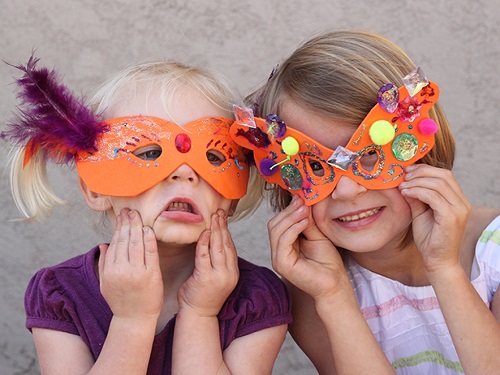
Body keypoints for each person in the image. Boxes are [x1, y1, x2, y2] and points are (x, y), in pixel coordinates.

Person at [230, 30, 500, 374]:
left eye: (369, 156)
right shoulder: (315, 292)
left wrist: (445, 271)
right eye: (315, 166)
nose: (347, 191)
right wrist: (335, 299)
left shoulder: (493, 253)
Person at [1, 56, 292, 374]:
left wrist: (201, 314)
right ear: (96, 189)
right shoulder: (60, 293)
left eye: (213, 155)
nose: (184, 173)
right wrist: (131, 320)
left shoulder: (257, 298)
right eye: (150, 153)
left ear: (230, 199)